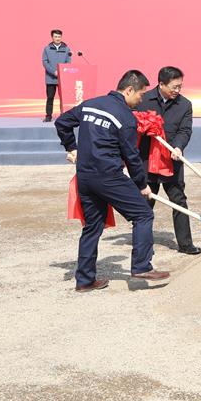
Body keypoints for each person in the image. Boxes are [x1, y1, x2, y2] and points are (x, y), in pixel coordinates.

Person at [55, 69, 169, 292]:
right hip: (109, 176)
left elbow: (62, 123)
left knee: (93, 226)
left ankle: (85, 280)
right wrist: (141, 184)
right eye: (140, 94)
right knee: (143, 214)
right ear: (129, 90)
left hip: (85, 176)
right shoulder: (125, 117)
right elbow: (131, 155)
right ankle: (142, 266)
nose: (141, 100)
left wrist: (71, 147)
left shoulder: (90, 104)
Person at [137, 66, 200, 255]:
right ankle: (142, 246)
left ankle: (185, 244)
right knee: (145, 205)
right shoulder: (143, 100)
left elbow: (185, 130)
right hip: (147, 161)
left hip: (172, 161)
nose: (177, 90)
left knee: (179, 201)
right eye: (174, 87)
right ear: (161, 84)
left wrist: (178, 147)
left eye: (180, 86)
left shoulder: (184, 105)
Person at [42, 29, 72, 122]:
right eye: (55, 36)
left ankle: (63, 116)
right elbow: (45, 62)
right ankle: (48, 116)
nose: (57, 38)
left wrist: (61, 72)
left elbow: (68, 62)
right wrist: (53, 72)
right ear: (52, 37)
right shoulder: (47, 49)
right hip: (50, 78)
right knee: (50, 97)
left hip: (62, 78)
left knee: (63, 99)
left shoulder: (66, 49)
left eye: (59, 37)